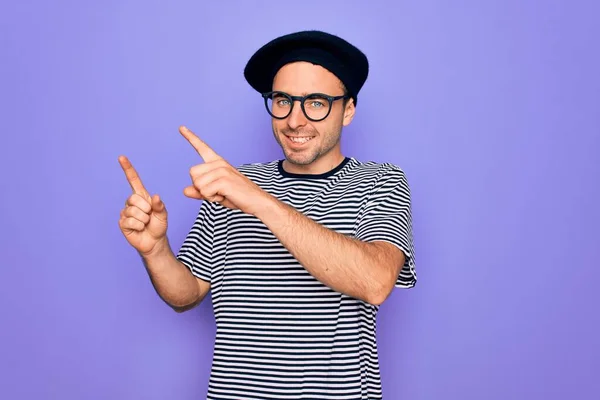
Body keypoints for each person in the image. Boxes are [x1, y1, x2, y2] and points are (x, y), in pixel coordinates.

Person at [118, 30, 417, 400]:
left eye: (317, 102)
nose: (295, 120)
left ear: (349, 109)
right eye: (283, 101)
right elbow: (186, 294)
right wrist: (155, 250)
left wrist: (258, 201)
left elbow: (375, 282)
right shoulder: (234, 183)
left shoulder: (380, 181)